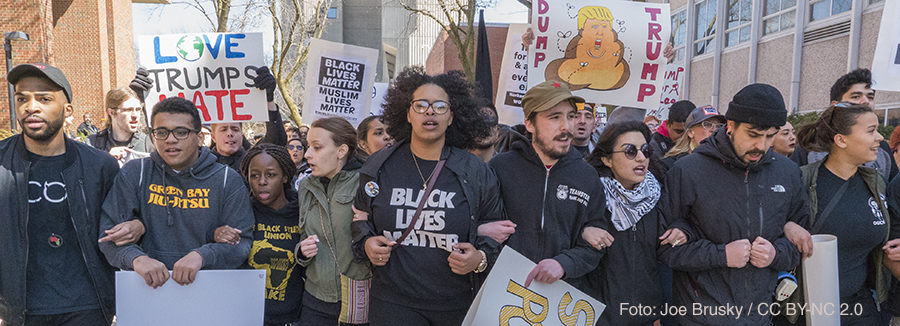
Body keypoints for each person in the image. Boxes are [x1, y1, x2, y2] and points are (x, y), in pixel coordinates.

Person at [350, 66, 502, 326]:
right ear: (407, 114)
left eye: (440, 106)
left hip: (456, 304)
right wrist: (366, 243)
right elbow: (359, 217)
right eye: (420, 105)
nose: (430, 111)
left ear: (451, 117)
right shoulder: (379, 165)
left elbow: (494, 228)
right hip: (393, 303)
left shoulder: (475, 170)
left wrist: (479, 259)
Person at [660, 84, 809, 325]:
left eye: (770, 136)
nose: (761, 145)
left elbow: (799, 244)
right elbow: (666, 249)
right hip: (699, 317)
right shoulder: (687, 171)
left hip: (759, 316)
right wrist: (721, 255)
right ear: (730, 126)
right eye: (753, 134)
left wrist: (775, 254)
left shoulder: (788, 173)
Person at [0, 63, 121, 326]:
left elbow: (119, 227)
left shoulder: (100, 166)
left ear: (68, 110)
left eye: (44, 98)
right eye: (22, 98)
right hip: (20, 310)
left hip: (88, 305)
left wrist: (134, 224)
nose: (31, 106)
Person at [98, 97, 254, 289]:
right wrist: (136, 259)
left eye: (181, 132)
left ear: (199, 138)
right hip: (147, 291)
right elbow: (107, 237)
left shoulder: (226, 180)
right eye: (161, 132)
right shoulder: (134, 173)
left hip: (210, 291)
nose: (170, 139)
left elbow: (242, 243)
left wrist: (202, 256)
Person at [487, 81, 605, 293]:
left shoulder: (587, 176)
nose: (566, 127)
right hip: (503, 294)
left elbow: (596, 242)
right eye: (554, 117)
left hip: (561, 299)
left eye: (570, 116)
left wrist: (564, 264)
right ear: (530, 124)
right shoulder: (500, 168)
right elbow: (478, 226)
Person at [787, 102, 891, 325]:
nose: (880, 137)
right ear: (841, 140)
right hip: (807, 310)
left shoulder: (876, 183)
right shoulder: (800, 181)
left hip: (862, 306)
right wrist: (785, 226)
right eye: (871, 130)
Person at [583, 121, 688, 326]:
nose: (641, 157)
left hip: (646, 316)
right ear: (607, 159)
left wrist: (683, 231)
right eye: (630, 151)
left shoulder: (658, 194)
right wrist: (583, 232)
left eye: (645, 150)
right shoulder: (589, 196)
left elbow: (668, 246)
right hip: (597, 316)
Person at [213, 143, 305, 326]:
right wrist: (215, 233)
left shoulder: (303, 213)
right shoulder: (239, 212)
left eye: (270, 175)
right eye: (254, 175)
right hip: (245, 315)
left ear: (285, 176)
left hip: (293, 318)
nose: (262, 181)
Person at [293, 117, 371, 325]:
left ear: (341, 151)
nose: (307, 154)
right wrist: (301, 251)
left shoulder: (366, 184)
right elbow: (303, 235)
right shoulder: (306, 185)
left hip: (357, 297)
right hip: (315, 299)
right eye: (308, 146)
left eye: (317, 147)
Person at [796, 68, 897, 181]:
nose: (865, 101)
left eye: (870, 97)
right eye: (856, 97)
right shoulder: (811, 146)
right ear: (835, 106)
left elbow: (891, 194)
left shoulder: (881, 149)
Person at [210, 67, 287, 172]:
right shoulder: (201, 165)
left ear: (242, 135)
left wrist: (268, 100)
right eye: (223, 129)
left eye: (235, 129)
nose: (229, 133)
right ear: (213, 137)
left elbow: (275, 142)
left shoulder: (253, 160)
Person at [86, 86, 153, 166]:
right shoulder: (92, 144)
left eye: (137, 109)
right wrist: (107, 159)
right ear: (111, 112)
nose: (135, 115)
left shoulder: (148, 144)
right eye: (128, 110)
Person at [661, 105, 725, 170]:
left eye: (719, 126)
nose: (714, 129)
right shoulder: (670, 165)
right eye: (707, 124)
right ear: (690, 132)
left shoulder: (724, 164)